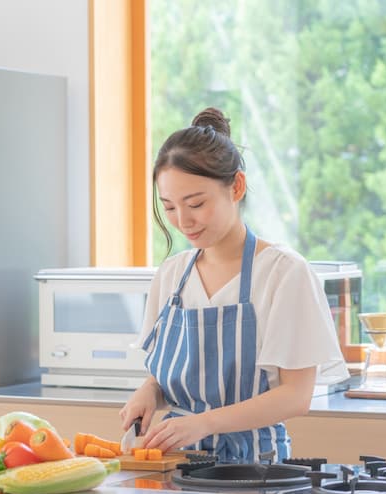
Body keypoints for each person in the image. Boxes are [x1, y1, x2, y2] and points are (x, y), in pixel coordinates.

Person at [119, 107, 349, 463]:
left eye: (196, 203)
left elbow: (296, 396)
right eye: (169, 208)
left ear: (236, 187)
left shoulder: (283, 272)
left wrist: (206, 424)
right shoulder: (171, 275)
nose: (184, 221)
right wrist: (149, 391)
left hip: (256, 469)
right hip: (176, 462)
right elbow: (176, 378)